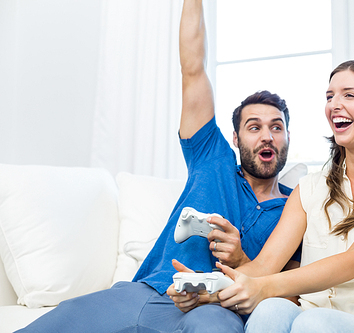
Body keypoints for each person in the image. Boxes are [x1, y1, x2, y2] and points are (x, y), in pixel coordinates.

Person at [16, 0, 299, 332]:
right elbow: (192, 67)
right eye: (254, 127)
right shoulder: (213, 159)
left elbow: (291, 296)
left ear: (288, 137)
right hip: (144, 293)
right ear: (235, 138)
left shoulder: (296, 208)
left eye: (276, 127)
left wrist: (240, 262)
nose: (266, 136)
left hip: (214, 311)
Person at [215, 58, 354, 333]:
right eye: (330, 96)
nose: (334, 105)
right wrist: (209, 287)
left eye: (349, 95)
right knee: (271, 309)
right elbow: (263, 267)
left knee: (312, 322)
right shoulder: (308, 189)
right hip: (309, 319)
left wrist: (263, 287)